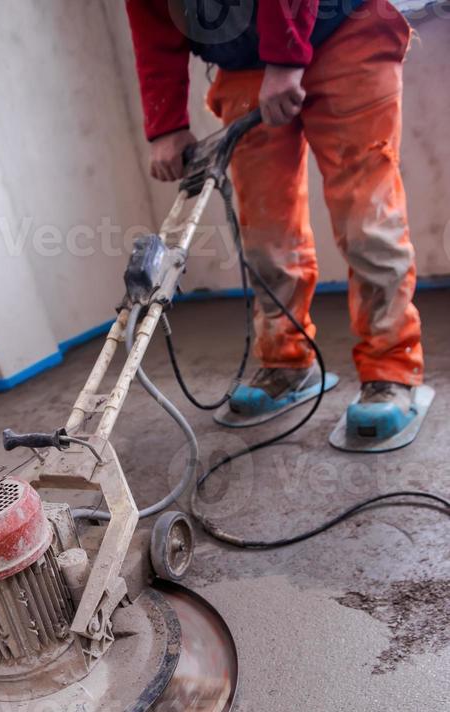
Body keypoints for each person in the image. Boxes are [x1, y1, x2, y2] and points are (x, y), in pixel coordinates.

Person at [125, 0, 424, 440]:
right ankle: (287, 364)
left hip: (345, 29)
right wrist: (165, 122)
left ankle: (391, 371)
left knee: (367, 224)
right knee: (265, 234)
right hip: (246, 61)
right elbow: (151, 16)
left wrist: (285, 58)